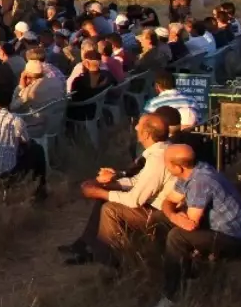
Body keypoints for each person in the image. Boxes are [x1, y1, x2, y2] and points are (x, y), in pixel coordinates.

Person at [60, 113, 174, 266]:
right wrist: (111, 184)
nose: (135, 127)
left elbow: (135, 200)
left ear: (146, 134)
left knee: (110, 209)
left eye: (138, 124)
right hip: (156, 207)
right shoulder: (161, 151)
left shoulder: (157, 159)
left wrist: (99, 191)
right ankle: (88, 246)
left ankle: (110, 262)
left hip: (159, 215)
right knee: (104, 198)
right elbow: (137, 181)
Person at [149, 144, 241, 307]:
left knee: (177, 236)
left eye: (166, 162)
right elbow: (168, 202)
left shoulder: (200, 181)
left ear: (177, 167)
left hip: (232, 237)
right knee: (159, 217)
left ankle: (172, 296)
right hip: (217, 228)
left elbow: (190, 224)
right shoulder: (190, 172)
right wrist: (173, 215)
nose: (165, 165)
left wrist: (175, 216)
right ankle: (170, 269)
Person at [0, 82, 47, 197]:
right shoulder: (15, 121)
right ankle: (40, 191)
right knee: (37, 149)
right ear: (10, 101)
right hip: (9, 171)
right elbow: (26, 142)